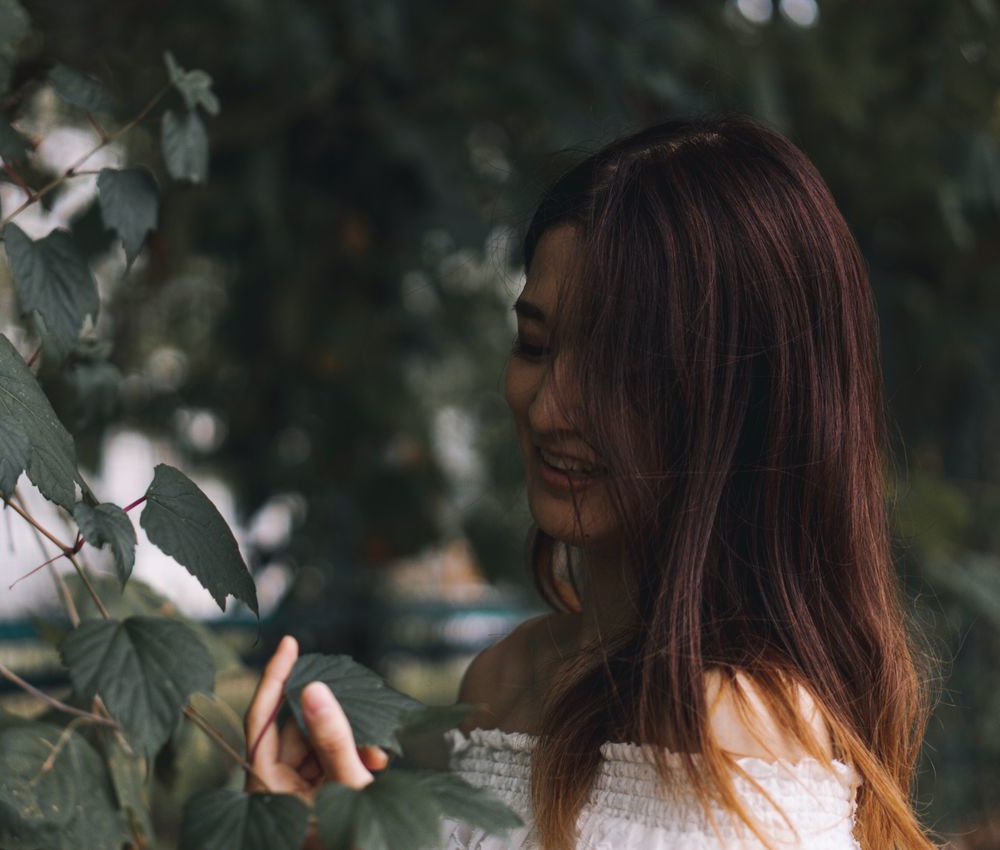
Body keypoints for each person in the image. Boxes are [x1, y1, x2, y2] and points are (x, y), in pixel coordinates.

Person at [243, 113, 938, 850]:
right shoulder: (500, 681)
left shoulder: (738, 730)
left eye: (618, 367)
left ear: (742, 404)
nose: (548, 409)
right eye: (535, 344)